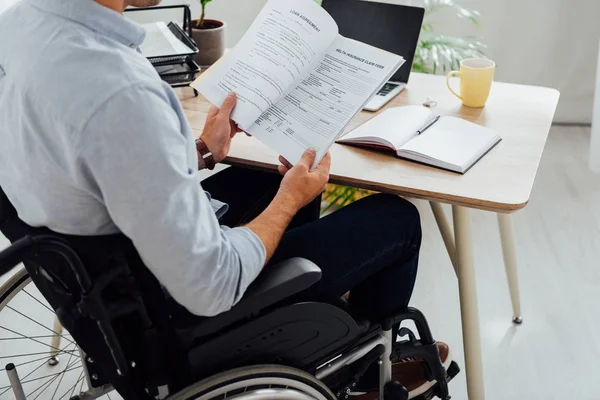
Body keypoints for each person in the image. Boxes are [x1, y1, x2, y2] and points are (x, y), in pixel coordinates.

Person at [0, 0, 450, 397]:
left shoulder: (19, 24)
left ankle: (326, 338)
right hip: (177, 311)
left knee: (276, 183)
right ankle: (364, 373)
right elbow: (211, 285)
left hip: (106, 276)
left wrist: (193, 151)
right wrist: (289, 200)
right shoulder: (121, 91)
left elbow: (86, 162)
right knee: (397, 219)